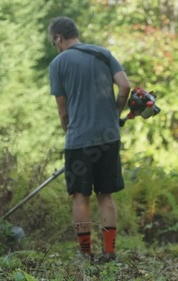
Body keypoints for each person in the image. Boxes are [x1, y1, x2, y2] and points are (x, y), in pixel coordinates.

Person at [48, 16, 131, 261]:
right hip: (108, 136)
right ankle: (110, 252)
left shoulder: (58, 63)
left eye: (55, 43)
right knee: (106, 194)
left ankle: (86, 254)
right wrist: (115, 113)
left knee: (80, 196)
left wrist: (69, 132)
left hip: (79, 140)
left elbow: (63, 110)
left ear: (59, 38)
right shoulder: (103, 54)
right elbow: (125, 86)